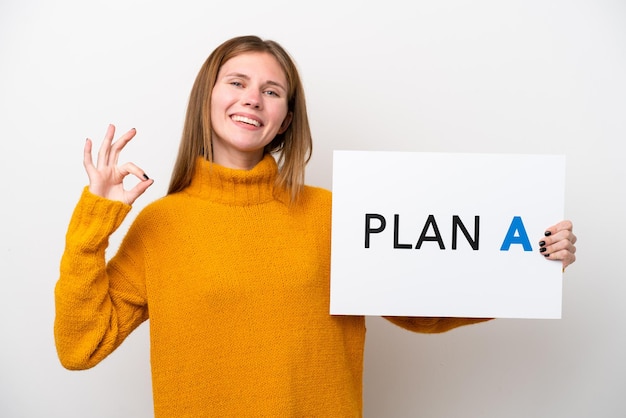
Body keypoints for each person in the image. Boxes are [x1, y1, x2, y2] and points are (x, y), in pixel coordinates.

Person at [54, 35, 578, 418]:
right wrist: (96, 216)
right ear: (207, 98)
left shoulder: (334, 214)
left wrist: (529, 262)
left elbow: (422, 311)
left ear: (285, 118)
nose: (252, 99)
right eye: (237, 82)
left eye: (272, 91)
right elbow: (81, 346)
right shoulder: (160, 225)